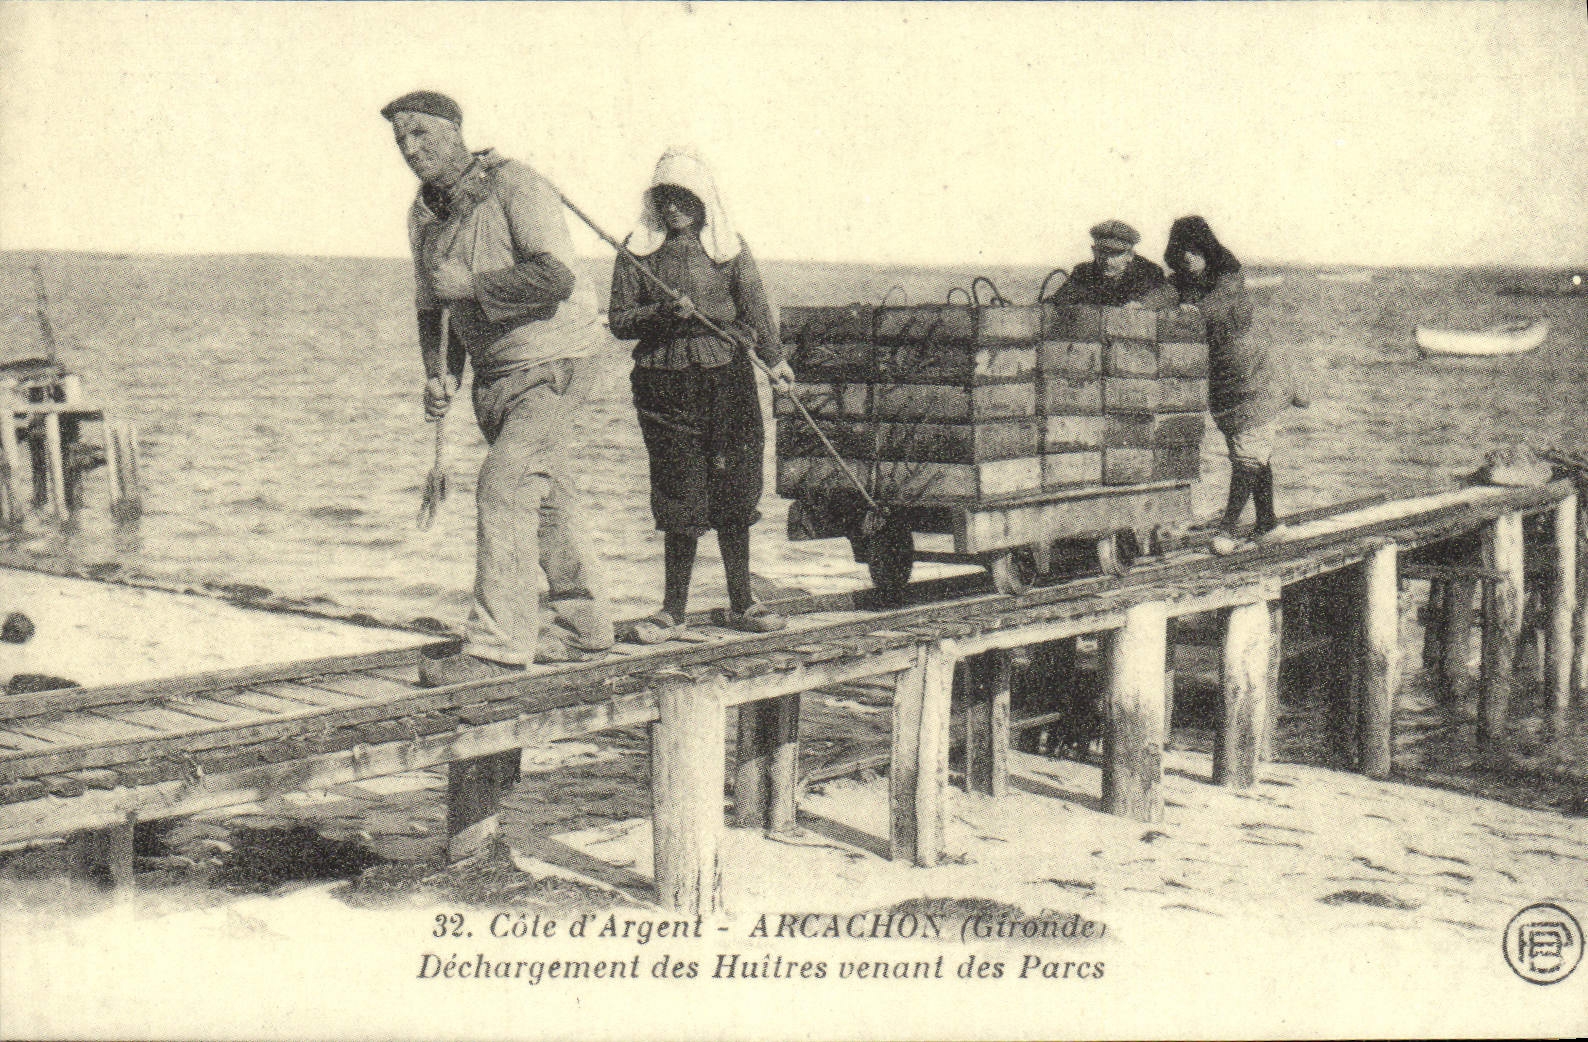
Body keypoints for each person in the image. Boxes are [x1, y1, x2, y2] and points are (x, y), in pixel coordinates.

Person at [383, 90, 614, 685]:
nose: (410, 149)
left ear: (455, 132)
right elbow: (432, 302)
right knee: (550, 498)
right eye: (401, 139)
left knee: (505, 487)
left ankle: (496, 648)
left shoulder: (516, 184)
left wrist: (472, 283)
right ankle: (582, 624)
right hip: (495, 380)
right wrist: (441, 376)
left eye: (422, 135)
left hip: (555, 366)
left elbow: (555, 276)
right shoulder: (423, 214)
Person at [607, 148, 797, 641]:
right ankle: (672, 612)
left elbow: (755, 307)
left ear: (704, 202)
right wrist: (663, 314)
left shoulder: (729, 249)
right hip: (663, 386)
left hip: (728, 380)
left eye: (684, 199)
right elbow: (621, 321)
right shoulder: (636, 251)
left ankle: (742, 603)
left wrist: (775, 361)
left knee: (734, 488)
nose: (674, 209)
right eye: (665, 199)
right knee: (679, 492)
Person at [1163, 215, 1290, 554]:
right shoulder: (1181, 285)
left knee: (1248, 453)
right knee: (1249, 449)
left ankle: (1228, 530)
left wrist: (1190, 313)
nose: (1188, 256)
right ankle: (1267, 524)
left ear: (1207, 248)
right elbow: (1159, 298)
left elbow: (1218, 307)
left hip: (1254, 377)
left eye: (1194, 249)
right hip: (1224, 384)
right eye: (1181, 250)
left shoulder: (1228, 279)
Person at [1043, 219, 1178, 309]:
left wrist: (1144, 304)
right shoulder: (1082, 273)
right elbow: (1059, 300)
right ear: (1094, 251)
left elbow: (1169, 294)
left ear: (1130, 255)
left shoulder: (1148, 271)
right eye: (1102, 252)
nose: (1107, 260)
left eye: (1115, 254)